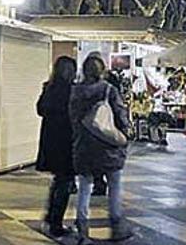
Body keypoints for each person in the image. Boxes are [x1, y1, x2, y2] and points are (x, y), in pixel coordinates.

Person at [69, 56, 133, 243]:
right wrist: (125, 133)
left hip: (83, 146)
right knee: (114, 185)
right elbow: (120, 116)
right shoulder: (108, 90)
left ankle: (82, 228)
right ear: (102, 71)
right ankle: (116, 224)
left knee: (84, 188)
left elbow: (72, 118)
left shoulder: (75, 92)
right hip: (108, 147)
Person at [36, 56, 78, 238]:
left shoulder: (49, 88)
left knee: (59, 180)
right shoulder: (71, 91)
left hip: (51, 140)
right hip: (66, 141)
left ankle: (50, 217)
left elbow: (40, 109)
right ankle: (55, 223)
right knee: (64, 182)